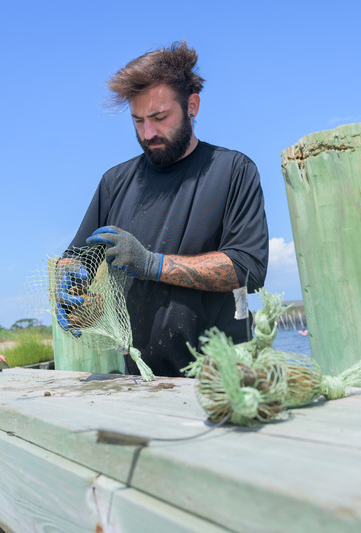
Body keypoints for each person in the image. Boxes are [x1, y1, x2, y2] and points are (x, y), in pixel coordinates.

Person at [57, 41, 269, 378]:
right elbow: (77, 256)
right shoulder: (114, 182)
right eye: (138, 121)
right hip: (138, 377)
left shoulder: (234, 170)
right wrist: (70, 286)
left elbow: (249, 269)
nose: (148, 132)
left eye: (159, 117)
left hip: (223, 374)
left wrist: (151, 264)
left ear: (192, 106)